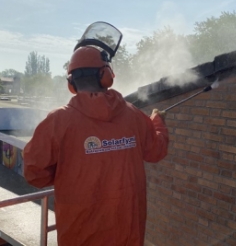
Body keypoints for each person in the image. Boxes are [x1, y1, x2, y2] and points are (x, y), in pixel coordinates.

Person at [23, 22, 169, 246]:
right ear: (107, 76)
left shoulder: (57, 121)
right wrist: (157, 121)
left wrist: (69, 171)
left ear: (71, 83)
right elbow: (155, 151)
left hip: (78, 237)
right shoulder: (133, 116)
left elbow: (34, 174)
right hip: (128, 237)